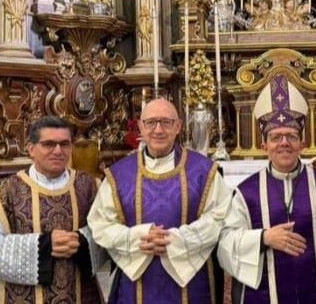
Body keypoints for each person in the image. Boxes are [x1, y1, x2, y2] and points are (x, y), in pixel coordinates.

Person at [218, 75, 316, 303]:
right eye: (275, 137)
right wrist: (263, 238)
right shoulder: (246, 193)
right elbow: (226, 243)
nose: (284, 142)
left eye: (291, 136)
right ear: (264, 146)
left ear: (302, 144)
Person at [88, 98, 233, 303]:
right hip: (136, 284)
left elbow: (221, 216)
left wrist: (175, 240)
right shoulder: (119, 175)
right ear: (141, 127)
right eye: (151, 122)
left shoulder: (204, 171)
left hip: (193, 284)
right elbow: (100, 224)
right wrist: (139, 237)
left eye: (166, 122)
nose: (158, 129)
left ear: (178, 126)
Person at [0, 115, 104, 303]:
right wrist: (44, 245)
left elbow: (106, 233)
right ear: (31, 149)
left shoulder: (89, 186)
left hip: (81, 294)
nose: (58, 151)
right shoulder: (6, 191)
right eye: (49, 144)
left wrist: (83, 242)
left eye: (65, 144)